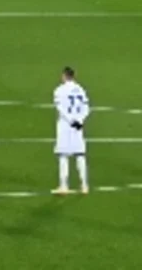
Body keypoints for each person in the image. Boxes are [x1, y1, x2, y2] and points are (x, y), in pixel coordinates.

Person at [52, 66, 90, 195]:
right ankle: (84, 185)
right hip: (78, 126)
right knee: (80, 154)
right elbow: (86, 108)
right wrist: (79, 121)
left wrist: (71, 121)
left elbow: (61, 109)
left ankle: (64, 186)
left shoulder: (59, 90)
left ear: (64, 76)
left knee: (63, 155)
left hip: (65, 125)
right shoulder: (81, 90)